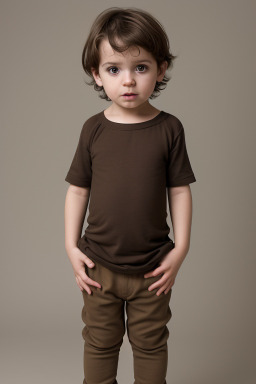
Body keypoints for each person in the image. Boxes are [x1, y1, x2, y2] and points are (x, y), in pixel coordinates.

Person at [64, 7, 196, 384]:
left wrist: (181, 248)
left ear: (161, 69)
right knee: (100, 343)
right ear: (96, 74)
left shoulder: (170, 129)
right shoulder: (93, 130)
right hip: (98, 267)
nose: (128, 81)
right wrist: (71, 247)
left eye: (140, 67)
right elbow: (78, 189)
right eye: (114, 69)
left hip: (153, 268)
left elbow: (179, 190)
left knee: (151, 344)